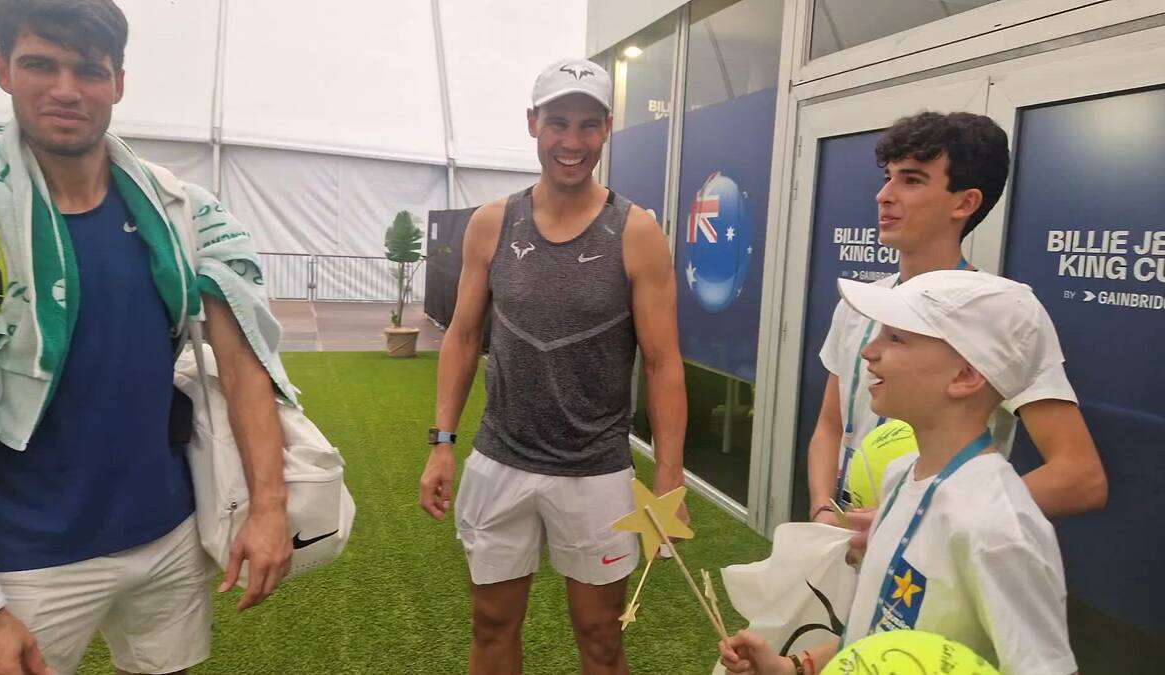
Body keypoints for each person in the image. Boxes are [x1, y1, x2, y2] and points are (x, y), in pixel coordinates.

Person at [0, 1, 299, 673]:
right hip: (23, 557)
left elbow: (242, 364)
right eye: (40, 64)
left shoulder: (178, 210)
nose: (65, 89)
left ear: (118, 81)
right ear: (2, 70)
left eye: (88, 69)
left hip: (166, 536)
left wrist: (269, 507)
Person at [417, 58, 687, 675]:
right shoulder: (491, 222)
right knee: (490, 626)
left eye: (588, 126)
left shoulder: (637, 231)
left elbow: (664, 362)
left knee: (600, 640)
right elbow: (461, 336)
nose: (573, 142)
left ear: (607, 129)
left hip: (596, 473)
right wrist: (441, 443)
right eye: (559, 123)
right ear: (533, 123)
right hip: (499, 460)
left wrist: (668, 476)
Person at [722, 270, 1078, 675]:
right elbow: (883, 634)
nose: (868, 352)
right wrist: (795, 667)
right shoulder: (900, 475)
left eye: (895, 338)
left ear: (965, 376)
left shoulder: (999, 529)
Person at [807, 112, 1106, 532]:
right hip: (848, 541)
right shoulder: (857, 304)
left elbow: (1080, 477)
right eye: (887, 178)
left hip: (935, 562)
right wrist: (823, 509)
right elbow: (831, 424)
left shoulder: (998, 313)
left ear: (964, 202)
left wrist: (928, 515)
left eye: (911, 180)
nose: (884, 195)